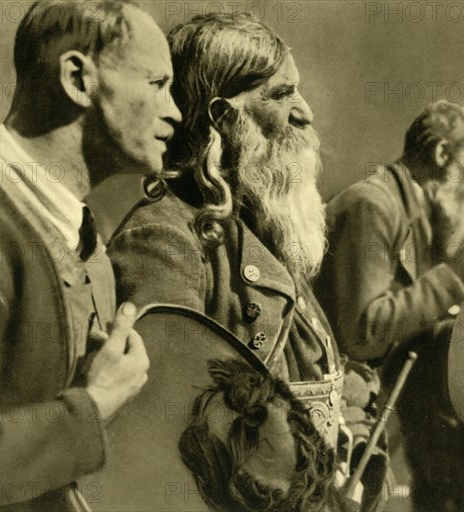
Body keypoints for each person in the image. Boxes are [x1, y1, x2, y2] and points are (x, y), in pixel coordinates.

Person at [107, 13, 385, 511]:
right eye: (281, 95)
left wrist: (345, 395)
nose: (306, 112)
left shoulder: (264, 224)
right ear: (221, 115)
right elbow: (170, 443)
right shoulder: (164, 238)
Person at [0, 1, 181, 510]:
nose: (175, 113)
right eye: (157, 85)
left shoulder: (82, 239)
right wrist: (94, 404)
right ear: (79, 79)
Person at [315, 100, 464, 512]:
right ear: (441, 156)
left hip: (363, 406)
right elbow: (362, 335)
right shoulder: (373, 206)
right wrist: (454, 279)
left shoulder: (414, 217)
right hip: (328, 410)